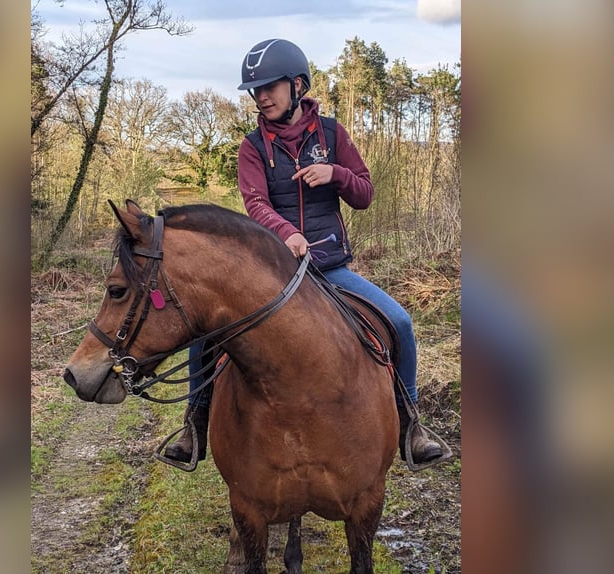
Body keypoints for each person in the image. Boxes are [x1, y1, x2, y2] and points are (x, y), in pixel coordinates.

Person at [164, 38, 445, 469]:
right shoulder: (252, 148)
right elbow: (255, 204)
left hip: (330, 268)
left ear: (297, 85)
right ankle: (194, 428)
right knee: (205, 335)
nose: (261, 96)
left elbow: (366, 194)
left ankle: (411, 423)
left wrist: (336, 173)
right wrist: (286, 233)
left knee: (401, 322)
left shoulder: (332, 134)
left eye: (269, 86)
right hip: (273, 273)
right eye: (254, 90)